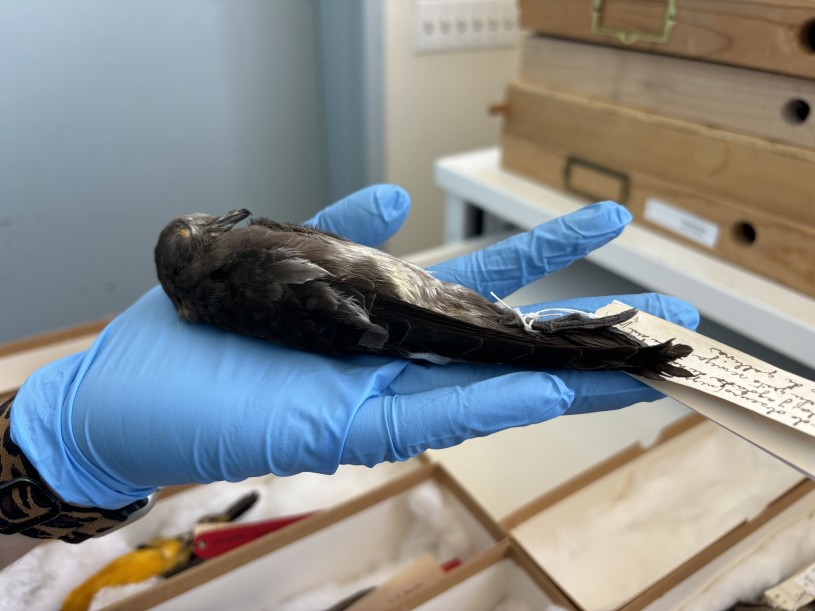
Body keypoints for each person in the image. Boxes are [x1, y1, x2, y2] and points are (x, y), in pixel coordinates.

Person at [0, 185, 697, 568]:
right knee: (506, 343)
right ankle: (586, 349)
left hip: (389, 307)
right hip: (386, 310)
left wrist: (49, 452)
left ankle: (578, 347)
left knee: (502, 337)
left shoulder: (224, 272)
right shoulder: (232, 268)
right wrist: (69, 453)